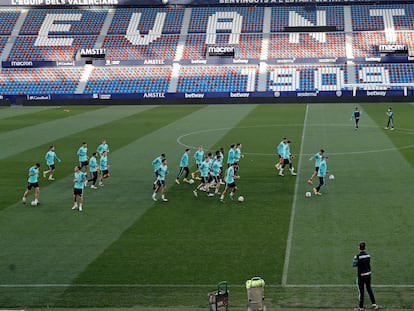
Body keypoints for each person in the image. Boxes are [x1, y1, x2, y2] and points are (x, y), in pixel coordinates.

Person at [352, 242, 379, 311]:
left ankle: (361, 307)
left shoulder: (357, 256)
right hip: (368, 274)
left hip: (361, 276)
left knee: (361, 291)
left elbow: (354, 264)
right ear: (365, 247)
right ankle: (374, 304)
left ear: (359, 247)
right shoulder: (368, 255)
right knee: (369, 289)